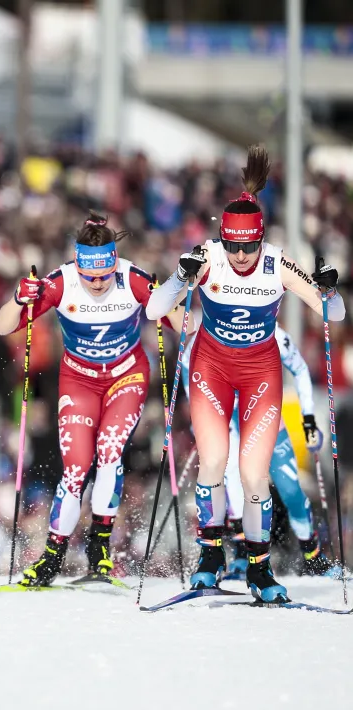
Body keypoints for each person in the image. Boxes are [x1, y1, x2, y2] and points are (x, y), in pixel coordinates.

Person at [146, 145, 345, 603]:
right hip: (211, 369)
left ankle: (259, 568)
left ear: (260, 239)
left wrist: (330, 290)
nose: (239, 254)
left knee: (255, 476)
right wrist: (179, 278)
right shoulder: (208, 254)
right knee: (214, 463)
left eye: (247, 246)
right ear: (222, 238)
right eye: (232, 245)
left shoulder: (277, 262)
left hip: (260, 373)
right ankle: (210, 558)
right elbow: (157, 308)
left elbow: (332, 314)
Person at [0, 212, 182, 588]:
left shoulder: (132, 279)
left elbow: (182, 324)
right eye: (89, 276)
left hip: (126, 376)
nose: (97, 284)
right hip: (79, 380)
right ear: (78, 266)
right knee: (76, 469)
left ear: (114, 264)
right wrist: (18, 299)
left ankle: (99, 547)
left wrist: (173, 295)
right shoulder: (61, 282)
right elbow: (2, 326)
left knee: (110, 452)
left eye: (103, 276)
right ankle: (52, 555)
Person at [181, 325, 341, 579]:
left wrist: (308, 418)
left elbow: (299, 369)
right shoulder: (210, 331)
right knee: (232, 473)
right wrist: (198, 415)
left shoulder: (270, 331)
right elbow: (188, 368)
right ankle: (243, 556)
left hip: (265, 416)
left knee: (290, 489)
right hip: (229, 417)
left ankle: (313, 557)